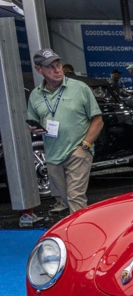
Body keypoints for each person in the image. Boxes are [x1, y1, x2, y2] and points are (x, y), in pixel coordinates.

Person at [27, 48, 103, 214]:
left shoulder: (80, 88)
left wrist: (85, 145)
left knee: (76, 196)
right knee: (65, 198)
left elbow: (98, 120)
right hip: (53, 155)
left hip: (78, 151)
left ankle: (79, 236)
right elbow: (33, 122)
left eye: (58, 64)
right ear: (39, 69)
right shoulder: (35, 95)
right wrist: (34, 127)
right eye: (50, 67)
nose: (57, 70)